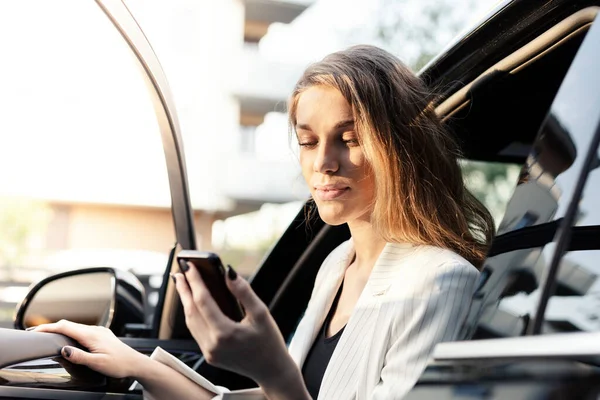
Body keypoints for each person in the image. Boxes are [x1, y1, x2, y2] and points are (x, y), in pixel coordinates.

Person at [31, 44, 495, 399]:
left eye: (349, 138)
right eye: (309, 142)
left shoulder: (442, 282)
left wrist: (273, 369)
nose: (324, 163)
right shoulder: (338, 264)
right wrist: (135, 363)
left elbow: (283, 389)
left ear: (401, 148)